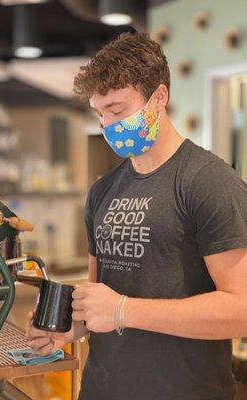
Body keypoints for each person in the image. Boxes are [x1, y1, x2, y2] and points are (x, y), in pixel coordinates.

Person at [26, 32, 247, 400]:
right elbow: (99, 295)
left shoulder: (210, 182)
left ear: (159, 98)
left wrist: (124, 311)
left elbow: (242, 309)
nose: (108, 125)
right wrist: (71, 326)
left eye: (117, 110)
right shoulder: (102, 191)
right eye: (99, 113)